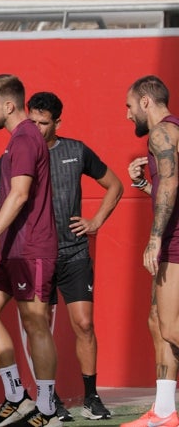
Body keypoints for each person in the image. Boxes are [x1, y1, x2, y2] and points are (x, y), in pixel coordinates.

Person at [0, 91, 123, 421]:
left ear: (57, 123)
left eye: (44, 123)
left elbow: (115, 185)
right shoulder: (20, 149)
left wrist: (95, 221)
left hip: (72, 252)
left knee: (83, 323)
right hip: (36, 251)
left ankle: (90, 396)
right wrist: (6, 225)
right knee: (36, 325)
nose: (37, 128)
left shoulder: (75, 151)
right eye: (33, 121)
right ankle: (47, 402)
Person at [0, 74, 59, 427]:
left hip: (32, 249)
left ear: (9, 106)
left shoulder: (25, 138)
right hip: (13, 247)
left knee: (35, 324)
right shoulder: (15, 141)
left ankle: (49, 410)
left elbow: (19, 195)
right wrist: (2, 231)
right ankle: (16, 395)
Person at [122, 76, 179, 427]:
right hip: (172, 239)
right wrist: (145, 185)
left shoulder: (161, 133)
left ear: (145, 101)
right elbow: (168, 189)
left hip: (175, 243)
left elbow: (171, 182)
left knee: (171, 328)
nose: (128, 115)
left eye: (129, 106)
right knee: (157, 323)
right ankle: (163, 411)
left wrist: (155, 238)